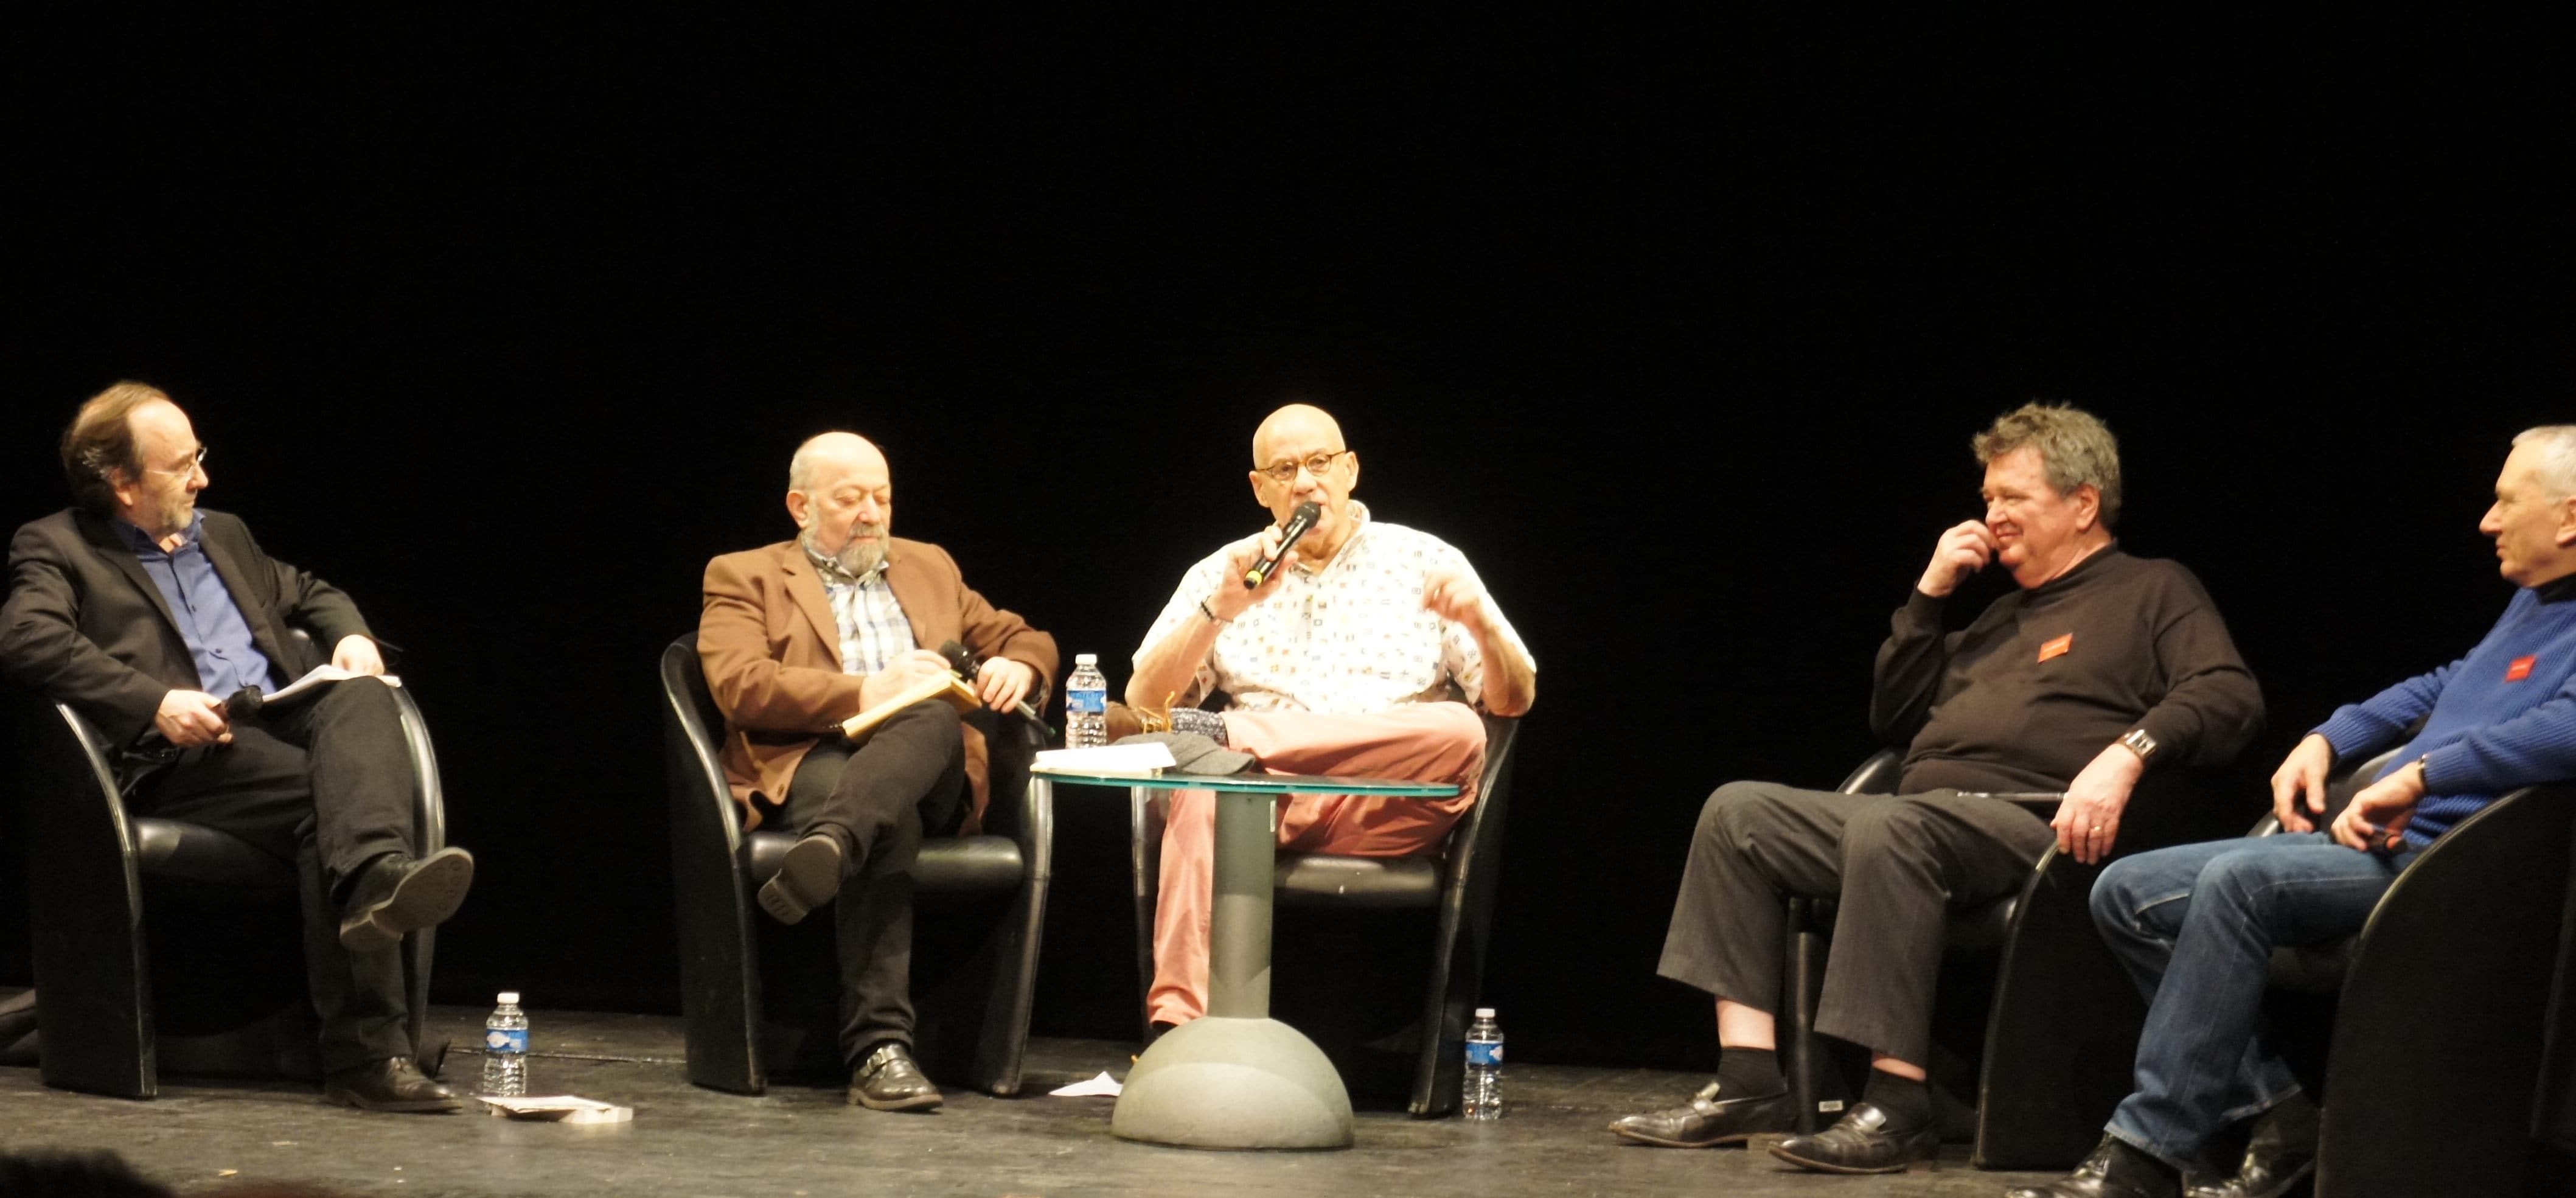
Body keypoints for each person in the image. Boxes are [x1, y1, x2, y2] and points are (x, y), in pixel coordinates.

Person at [1613, 403, 2264, 1174]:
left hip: (2040, 827)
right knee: (1736, 812)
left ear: (2083, 503)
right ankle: (1750, 1081)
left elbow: (2228, 696)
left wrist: (2125, 753)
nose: (1991, 515)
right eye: (1987, 497)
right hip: (1922, 817)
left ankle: (1898, 1101)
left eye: (2011, 497)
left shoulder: (2152, 589)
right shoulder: (1992, 617)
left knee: (1891, 828)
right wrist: (1926, 598)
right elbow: (1894, 715)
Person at [2010, 425, 2576, 1198]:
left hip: (2459, 873)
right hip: (2397, 849)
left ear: (2569, 518)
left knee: (2238, 882)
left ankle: (2145, 1153)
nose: (2486, 519)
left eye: (2505, 501)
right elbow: (2443, 685)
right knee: (2127, 892)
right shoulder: (2532, 604)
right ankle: (2279, 1117)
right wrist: (2326, 737)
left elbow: (2567, 727)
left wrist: (2421, 772)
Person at [0, 383, 473, 1113]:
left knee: (361, 695)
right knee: (341, 807)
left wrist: (350, 636)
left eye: (201, 457)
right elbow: (29, 640)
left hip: (276, 724)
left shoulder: (224, 534)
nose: (203, 478)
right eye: (182, 466)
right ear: (122, 485)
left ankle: (374, 882)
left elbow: (312, 591)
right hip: (182, 756)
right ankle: (365, 1045)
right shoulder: (58, 545)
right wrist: (154, 701)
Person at [1123, 402, 1537, 1036]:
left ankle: (1235, 735)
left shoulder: (1422, 558)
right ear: (1260, 489)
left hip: (1382, 807)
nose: (1305, 482)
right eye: (1285, 469)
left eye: (1319, 463)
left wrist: (1480, 623)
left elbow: (1513, 700)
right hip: (1261, 802)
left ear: (1350, 470)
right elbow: (1145, 703)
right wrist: (1218, 610)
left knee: (1459, 730)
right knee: (1204, 788)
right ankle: (1177, 1030)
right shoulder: (1226, 570)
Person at [697, 431, 1056, 1112]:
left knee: (925, 712)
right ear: (800, 506)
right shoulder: (744, 575)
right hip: (812, 759)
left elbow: (1021, 636)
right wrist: (864, 691)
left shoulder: (930, 566)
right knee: (879, 813)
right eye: (850, 498)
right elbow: (739, 685)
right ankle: (879, 1050)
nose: (871, 512)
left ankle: (830, 845)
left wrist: (1020, 666)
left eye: (881, 496)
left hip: (932, 770)